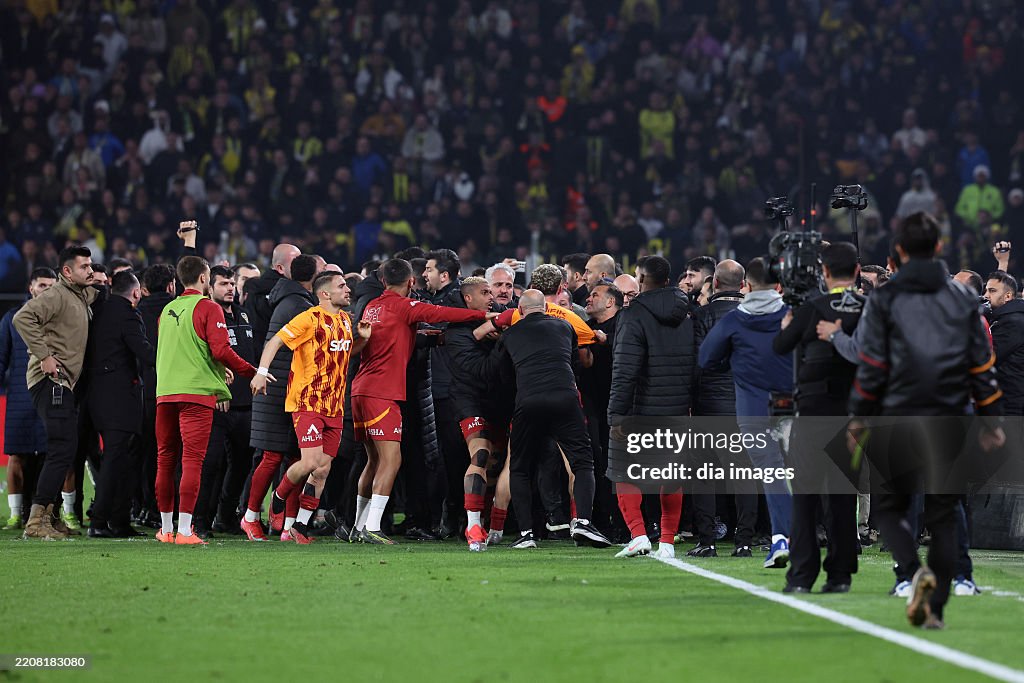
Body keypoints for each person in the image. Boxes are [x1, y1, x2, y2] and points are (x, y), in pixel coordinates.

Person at [850, 211, 1005, 629]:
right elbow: (981, 365)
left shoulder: (884, 298)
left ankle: (912, 571)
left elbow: (871, 366)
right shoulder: (962, 299)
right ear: (939, 247)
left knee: (887, 507)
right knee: (943, 512)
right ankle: (935, 610)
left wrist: (857, 418)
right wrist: (991, 420)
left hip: (897, 414)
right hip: (951, 416)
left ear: (899, 250)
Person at [350, 258, 493, 544]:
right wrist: (481, 316)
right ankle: (373, 527)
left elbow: (398, 337)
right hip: (383, 392)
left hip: (360, 389)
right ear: (411, 282)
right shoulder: (404, 306)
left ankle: (358, 525)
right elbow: (441, 312)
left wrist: (430, 338)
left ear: (382, 282)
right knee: (393, 459)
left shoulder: (372, 306)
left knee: (373, 461)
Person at [251, 272, 370, 543]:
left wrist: (361, 340)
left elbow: (343, 354)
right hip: (308, 402)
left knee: (323, 470)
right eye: (342, 286)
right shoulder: (309, 318)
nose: (348, 290)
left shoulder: (344, 321)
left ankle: (300, 526)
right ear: (325, 293)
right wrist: (261, 371)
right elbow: (276, 341)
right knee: (310, 462)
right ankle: (279, 495)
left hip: (335, 406)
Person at [154, 229, 256, 545]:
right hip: (195, 394)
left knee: (165, 459)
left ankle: (165, 529)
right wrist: (250, 372)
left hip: (165, 393)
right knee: (192, 462)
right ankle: (186, 530)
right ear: (203, 278)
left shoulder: (167, 310)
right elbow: (220, 350)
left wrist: (219, 370)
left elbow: (187, 350)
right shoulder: (208, 307)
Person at [772, 243, 864, 593]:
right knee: (843, 498)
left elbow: (781, 346)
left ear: (824, 273)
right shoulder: (869, 308)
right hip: (853, 414)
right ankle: (840, 576)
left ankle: (801, 576)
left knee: (806, 496)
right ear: (857, 272)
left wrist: (787, 325)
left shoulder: (812, 309)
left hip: (812, 413)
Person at [488, 289, 611, 549]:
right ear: (545, 308)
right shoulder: (565, 327)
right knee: (582, 462)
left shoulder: (509, 335)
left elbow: (502, 376)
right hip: (565, 399)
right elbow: (574, 363)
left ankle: (525, 534)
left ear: (520, 311)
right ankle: (583, 522)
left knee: (519, 468)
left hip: (528, 401)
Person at [697, 257, 794, 569]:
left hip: (753, 409)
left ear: (747, 286)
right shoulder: (792, 315)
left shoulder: (735, 320)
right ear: (778, 285)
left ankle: (783, 537)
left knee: (772, 472)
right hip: (792, 405)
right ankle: (807, 534)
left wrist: (734, 363)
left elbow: (706, 359)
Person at [607, 256, 694, 559]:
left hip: (640, 409)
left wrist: (617, 415)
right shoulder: (688, 313)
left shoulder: (632, 316)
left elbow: (625, 370)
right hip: (678, 409)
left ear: (641, 280)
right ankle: (667, 542)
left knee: (624, 472)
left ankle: (638, 534)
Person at [13, 246, 97, 540]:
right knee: (63, 446)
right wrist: (45, 356)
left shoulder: (80, 294)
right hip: (49, 381)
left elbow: (97, 292)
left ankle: (50, 514)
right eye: (84, 266)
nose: (89, 270)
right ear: (66, 271)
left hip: (63, 383)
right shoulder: (57, 295)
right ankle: (36, 520)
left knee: (65, 448)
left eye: (90, 265)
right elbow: (22, 319)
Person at [242, 254, 320, 540]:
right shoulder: (297, 305)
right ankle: (250, 517)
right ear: (313, 278)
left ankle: (288, 525)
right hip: (277, 389)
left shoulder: (295, 301)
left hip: (291, 389)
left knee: (296, 457)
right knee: (273, 456)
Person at [689, 259, 755, 558]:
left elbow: (698, 363)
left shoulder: (701, 316)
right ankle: (744, 541)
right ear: (743, 285)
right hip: (747, 406)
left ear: (714, 283)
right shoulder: (755, 317)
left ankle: (707, 541)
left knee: (704, 475)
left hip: (709, 406)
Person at [442, 276, 512, 550]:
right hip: (469, 400)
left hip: (501, 401)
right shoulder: (457, 333)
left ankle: (489, 524)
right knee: (480, 455)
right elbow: (482, 369)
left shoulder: (501, 325)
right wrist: (500, 342)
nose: (491, 296)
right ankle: (473, 526)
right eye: (485, 292)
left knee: (495, 464)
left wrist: (497, 333)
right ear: (468, 299)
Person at [85, 271, 156, 538]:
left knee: (118, 458)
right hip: (119, 398)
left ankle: (118, 520)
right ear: (136, 293)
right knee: (117, 458)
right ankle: (101, 521)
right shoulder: (127, 313)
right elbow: (145, 352)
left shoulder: (99, 310)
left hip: (97, 396)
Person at [194, 265, 257, 537]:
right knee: (211, 464)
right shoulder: (208, 314)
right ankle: (200, 521)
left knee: (242, 464)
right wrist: (218, 390)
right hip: (218, 402)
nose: (230, 288)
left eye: (232, 283)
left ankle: (225, 517)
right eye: (223, 284)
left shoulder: (243, 313)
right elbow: (202, 356)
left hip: (245, 403)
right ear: (210, 287)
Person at [0, 268, 56, 529]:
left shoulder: (60, 319)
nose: (47, 289)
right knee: (16, 454)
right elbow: (1, 358)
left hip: (52, 394)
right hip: (20, 396)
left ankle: (49, 512)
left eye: (51, 285)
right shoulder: (12, 319)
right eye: (42, 285)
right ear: (31, 287)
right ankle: (15, 514)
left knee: (52, 454)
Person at [579, 281, 624, 539]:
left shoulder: (624, 325)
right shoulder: (587, 328)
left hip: (619, 408)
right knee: (597, 464)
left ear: (610, 302)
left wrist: (607, 342)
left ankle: (622, 523)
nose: (588, 298)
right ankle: (600, 522)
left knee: (618, 466)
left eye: (595, 294)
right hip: (593, 407)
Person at [135, 263, 176, 528]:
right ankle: (173, 511)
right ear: (172, 285)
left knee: (146, 454)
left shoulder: (135, 313)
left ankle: (145, 508)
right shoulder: (179, 311)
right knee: (175, 453)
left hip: (143, 391)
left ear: (145, 289)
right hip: (175, 389)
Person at [244, 242, 301, 355]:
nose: (302, 266)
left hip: (254, 352)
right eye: (296, 263)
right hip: (281, 354)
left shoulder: (252, 287)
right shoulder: (293, 290)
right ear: (280, 268)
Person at [984, 271, 1024, 416]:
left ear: (1007, 296)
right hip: (1005, 400)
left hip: (1010, 404)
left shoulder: (1014, 322)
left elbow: (989, 357)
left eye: (992, 291)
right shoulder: (1003, 318)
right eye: (986, 290)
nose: (986, 295)